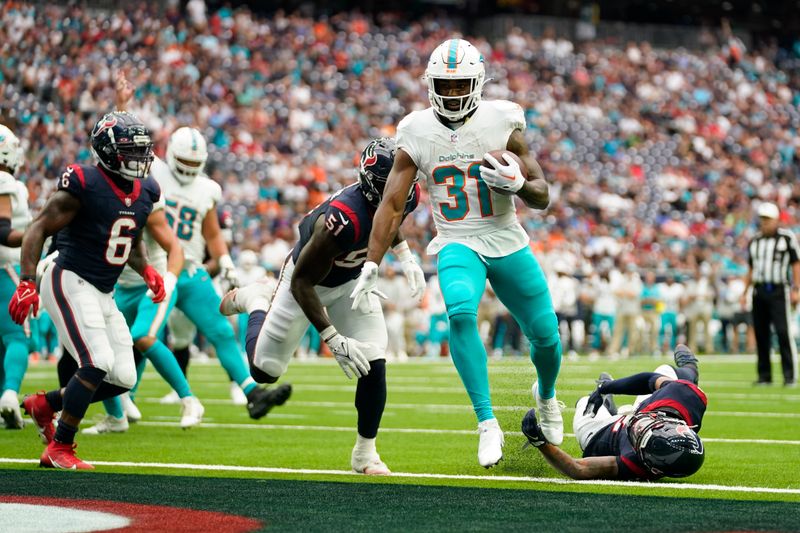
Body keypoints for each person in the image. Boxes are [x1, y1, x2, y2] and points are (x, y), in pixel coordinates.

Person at [350, 38, 564, 468]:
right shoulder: (415, 129)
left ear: (477, 82)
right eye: (443, 86)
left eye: (459, 84)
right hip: (456, 239)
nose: (450, 94)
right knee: (461, 313)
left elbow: (543, 194)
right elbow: (392, 203)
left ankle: (546, 395)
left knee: (547, 336)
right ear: (431, 85)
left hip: (505, 236)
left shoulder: (502, 120)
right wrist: (373, 262)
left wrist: (519, 185)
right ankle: (487, 422)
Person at [220, 138, 424, 475]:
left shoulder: (404, 194)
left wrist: (405, 256)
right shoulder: (342, 219)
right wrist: (332, 338)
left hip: (351, 282)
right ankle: (257, 299)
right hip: (305, 283)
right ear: (374, 186)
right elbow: (301, 282)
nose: (404, 189)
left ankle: (365, 453)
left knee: (373, 357)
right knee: (264, 371)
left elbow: (391, 216)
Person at [12, 111, 165, 469]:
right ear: (108, 152)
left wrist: (145, 269)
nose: (140, 158)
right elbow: (38, 228)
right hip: (68, 276)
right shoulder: (84, 181)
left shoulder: (146, 189)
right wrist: (27, 281)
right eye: (131, 150)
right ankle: (60, 447)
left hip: (103, 289)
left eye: (142, 150)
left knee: (123, 377)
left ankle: (45, 404)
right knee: (96, 362)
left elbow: (133, 232)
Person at [521, 345, 706, 481]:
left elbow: (578, 469)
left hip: (604, 434)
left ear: (653, 468)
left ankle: (609, 408)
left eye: (638, 437)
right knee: (669, 373)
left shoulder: (636, 464)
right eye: (642, 430)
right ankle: (608, 392)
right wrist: (605, 388)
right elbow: (648, 379)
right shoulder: (684, 398)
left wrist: (540, 443)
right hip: (649, 410)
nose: (636, 429)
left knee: (585, 403)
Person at [742, 202, 799, 386]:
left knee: (783, 332)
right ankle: (764, 376)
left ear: (776, 220)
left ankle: (789, 375)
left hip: (778, 290)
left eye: (767, 219)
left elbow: (796, 264)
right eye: (762, 219)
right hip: (759, 291)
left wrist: (796, 289)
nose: (764, 223)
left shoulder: (786, 238)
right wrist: (745, 291)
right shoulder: (755, 241)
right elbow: (751, 268)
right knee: (761, 334)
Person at [0, 124, 32, 429]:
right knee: (17, 338)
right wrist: (36, 233)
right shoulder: (6, 181)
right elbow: (3, 232)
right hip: (5, 270)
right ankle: (10, 394)